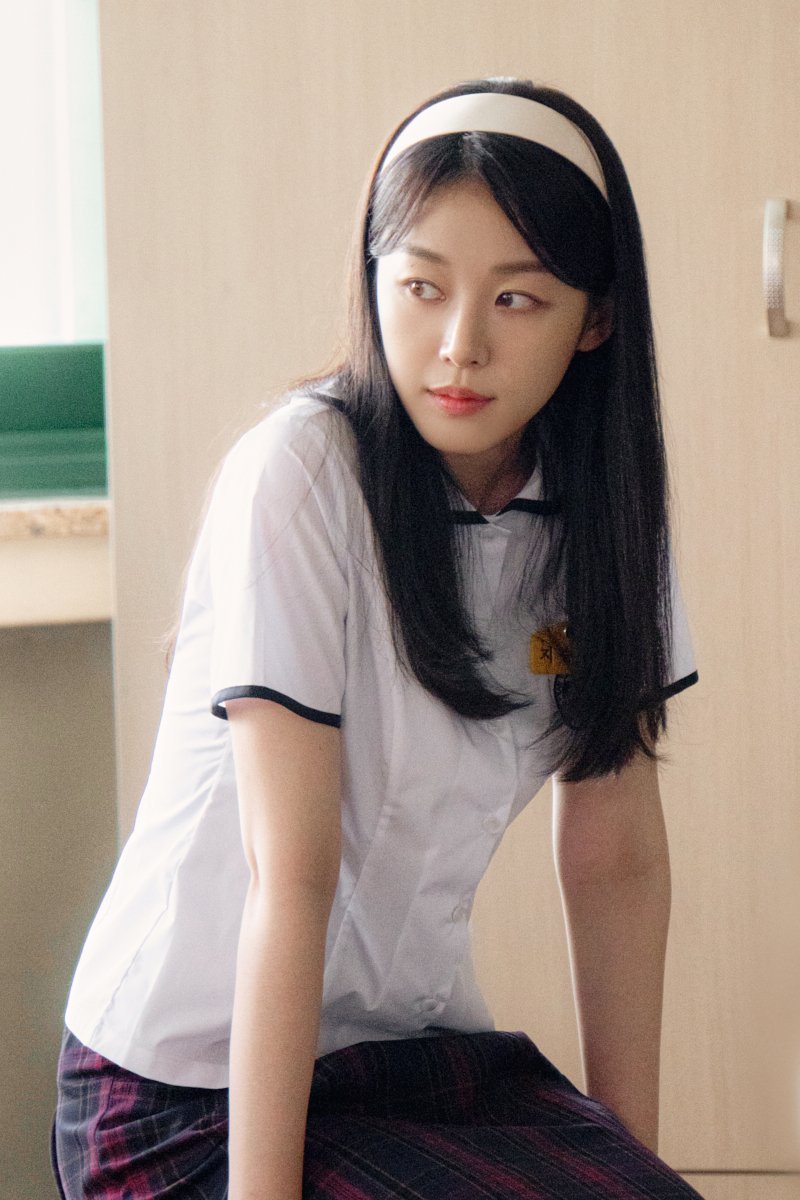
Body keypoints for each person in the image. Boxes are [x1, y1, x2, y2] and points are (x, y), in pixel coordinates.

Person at [52, 76, 705, 1200]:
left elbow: (616, 860)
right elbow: (291, 875)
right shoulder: (302, 474)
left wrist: (630, 1170)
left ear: (594, 319)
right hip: (187, 1087)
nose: (458, 346)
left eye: (517, 299)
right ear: (374, 280)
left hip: (400, 1052)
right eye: (421, 286)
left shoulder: (602, 517)